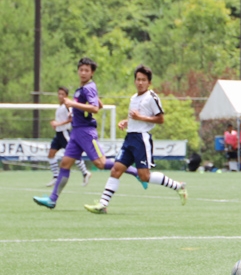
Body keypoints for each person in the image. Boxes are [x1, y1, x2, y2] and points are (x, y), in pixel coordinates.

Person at [33, 57, 140, 210]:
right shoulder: (83, 88)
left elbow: (95, 109)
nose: (83, 73)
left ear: (92, 73)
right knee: (65, 163)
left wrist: (72, 103)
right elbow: (99, 104)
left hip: (86, 132)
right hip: (76, 132)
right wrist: (91, 101)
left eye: (87, 71)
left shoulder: (88, 87)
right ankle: (52, 199)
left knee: (101, 163)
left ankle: (134, 171)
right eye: (81, 70)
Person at [84, 65, 187, 213]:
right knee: (116, 170)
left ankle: (178, 186)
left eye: (143, 80)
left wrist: (140, 118)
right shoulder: (134, 97)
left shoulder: (152, 97)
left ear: (149, 82)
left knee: (144, 176)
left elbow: (160, 119)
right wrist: (127, 122)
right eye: (138, 79)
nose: (140, 82)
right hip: (129, 138)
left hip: (141, 139)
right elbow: (135, 117)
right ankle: (102, 205)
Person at [46, 86, 91, 187]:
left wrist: (58, 124)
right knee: (50, 154)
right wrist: (56, 125)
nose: (60, 96)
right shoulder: (60, 107)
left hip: (64, 133)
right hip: (58, 134)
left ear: (66, 96)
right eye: (59, 94)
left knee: (73, 154)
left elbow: (72, 119)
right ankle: (56, 176)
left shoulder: (67, 106)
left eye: (63, 94)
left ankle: (85, 173)